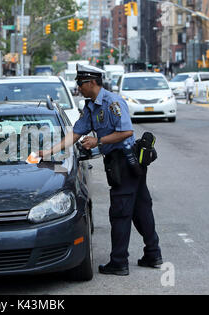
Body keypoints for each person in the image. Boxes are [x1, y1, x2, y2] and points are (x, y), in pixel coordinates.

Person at [39, 64, 163, 276]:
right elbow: (76, 134)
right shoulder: (91, 107)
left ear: (92, 83)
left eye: (80, 83)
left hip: (125, 162)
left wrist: (98, 141)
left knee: (121, 213)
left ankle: (119, 262)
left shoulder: (112, 103)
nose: (78, 88)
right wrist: (48, 151)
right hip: (120, 162)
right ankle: (153, 254)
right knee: (141, 209)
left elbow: (126, 131)